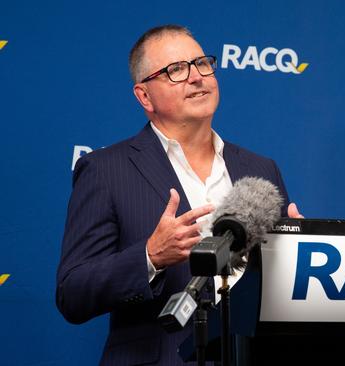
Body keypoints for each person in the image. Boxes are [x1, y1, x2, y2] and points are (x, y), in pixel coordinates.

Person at [56, 25, 302, 365]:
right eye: (176, 70)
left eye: (202, 63)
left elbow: (273, 292)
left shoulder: (261, 169)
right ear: (144, 97)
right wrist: (149, 256)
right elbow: (73, 292)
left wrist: (294, 254)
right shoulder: (105, 170)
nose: (197, 77)